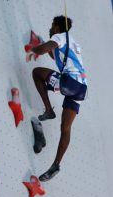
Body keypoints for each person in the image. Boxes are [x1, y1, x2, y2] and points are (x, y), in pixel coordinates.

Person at [26, 15, 87, 182]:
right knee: (66, 128)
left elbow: (46, 47)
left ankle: (48, 110)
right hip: (81, 89)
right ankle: (56, 165)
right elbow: (56, 56)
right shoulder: (73, 42)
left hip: (70, 83)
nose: (51, 28)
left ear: (58, 27)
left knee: (37, 73)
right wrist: (46, 47)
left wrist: (34, 49)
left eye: (52, 26)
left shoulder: (59, 37)